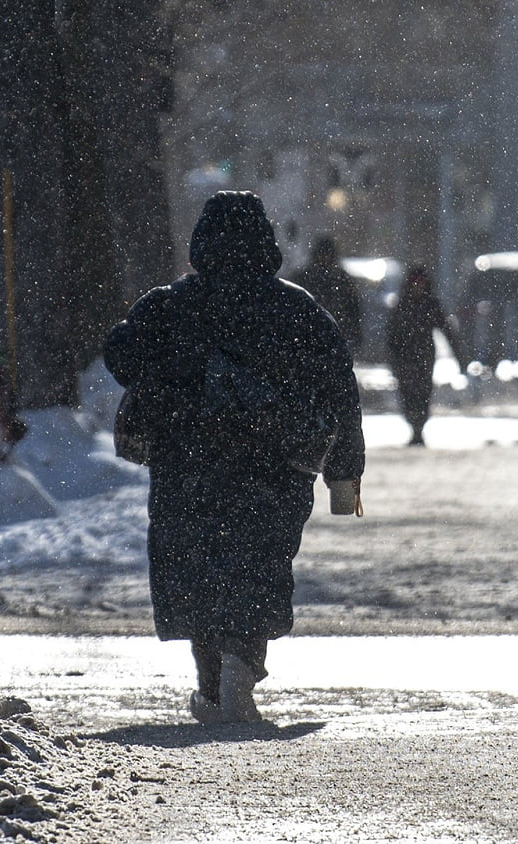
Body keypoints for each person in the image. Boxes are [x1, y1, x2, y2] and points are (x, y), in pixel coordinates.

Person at [103, 191, 365, 724]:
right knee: (259, 564)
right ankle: (241, 668)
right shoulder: (297, 309)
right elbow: (339, 390)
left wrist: (174, 369)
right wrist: (344, 474)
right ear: (265, 241)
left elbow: (120, 354)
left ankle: (211, 686)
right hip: (273, 467)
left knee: (196, 569)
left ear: (202, 242)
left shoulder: (171, 304)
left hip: (187, 463)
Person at [385, 265, 459, 446]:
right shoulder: (402, 304)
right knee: (407, 393)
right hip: (404, 356)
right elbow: (392, 333)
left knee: (423, 392)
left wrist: (459, 355)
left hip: (424, 356)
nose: (417, 285)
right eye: (415, 282)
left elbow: (445, 328)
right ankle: (413, 424)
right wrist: (392, 357)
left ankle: (419, 426)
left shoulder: (430, 304)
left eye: (421, 282)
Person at [288, 235, 363, 353]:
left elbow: (352, 309)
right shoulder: (341, 280)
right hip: (314, 338)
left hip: (319, 338)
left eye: (327, 255)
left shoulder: (340, 280)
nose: (324, 259)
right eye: (322, 255)